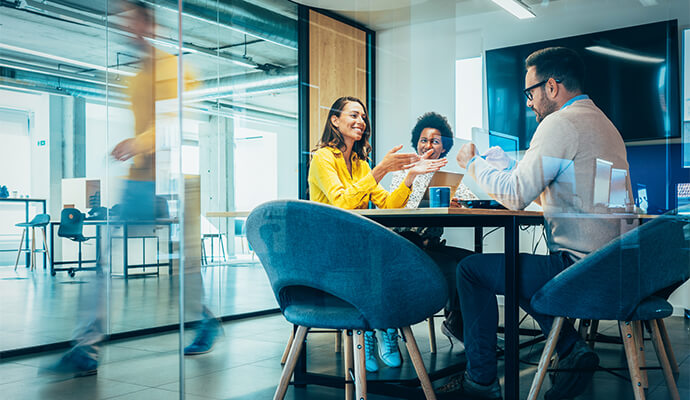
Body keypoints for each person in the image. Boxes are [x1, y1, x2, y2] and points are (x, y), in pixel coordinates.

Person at [439, 47, 633, 400]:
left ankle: (480, 381)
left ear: (553, 86)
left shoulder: (559, 123)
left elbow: (514, 196)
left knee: (470, 270)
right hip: (615, 268)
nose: (529, 102)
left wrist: (474, 162)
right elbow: (602, 198)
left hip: (580, 272)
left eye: (530, 92)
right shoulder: (606, 126)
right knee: (518, 269)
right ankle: (571, 348)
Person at [46, 1, 220, 378]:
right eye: (123, 20)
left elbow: (172, 126)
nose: (128, 27)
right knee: (105, 258)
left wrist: (136, 144)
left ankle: (204, 319)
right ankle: (86, 348)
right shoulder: (135, 78)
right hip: (140, 181)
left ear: (150, 24)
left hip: (176, 181)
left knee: (186, 262)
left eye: (133, 18)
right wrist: (136, 149)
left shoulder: (176, 70)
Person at [308, 96, 447, 372]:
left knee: (400, 248)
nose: (361, 121)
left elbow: (389, 204)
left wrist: (409, 176)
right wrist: (381, 168)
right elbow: (341, 203)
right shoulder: (322, 157)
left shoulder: (360, 163)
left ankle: (381, 327)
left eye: (363, 117)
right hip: (331, 248)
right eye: (353, 115)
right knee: (385, 256)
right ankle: (376, 328)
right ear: (335, 120)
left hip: (358, 244)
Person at [389, 112, 477, 347]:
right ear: (416, 143)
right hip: (405, 246)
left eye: (435, 141)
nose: (428, 145)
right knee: (458, 267)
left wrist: (459, 202)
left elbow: (471, 200)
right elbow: (402, 207)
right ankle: (455, 324)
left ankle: (463, 325)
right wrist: (436, 201)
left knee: (474, 262)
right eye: (424, 140)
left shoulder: (445, 176)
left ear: (443, 148)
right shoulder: (404, 172)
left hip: (432, 246)